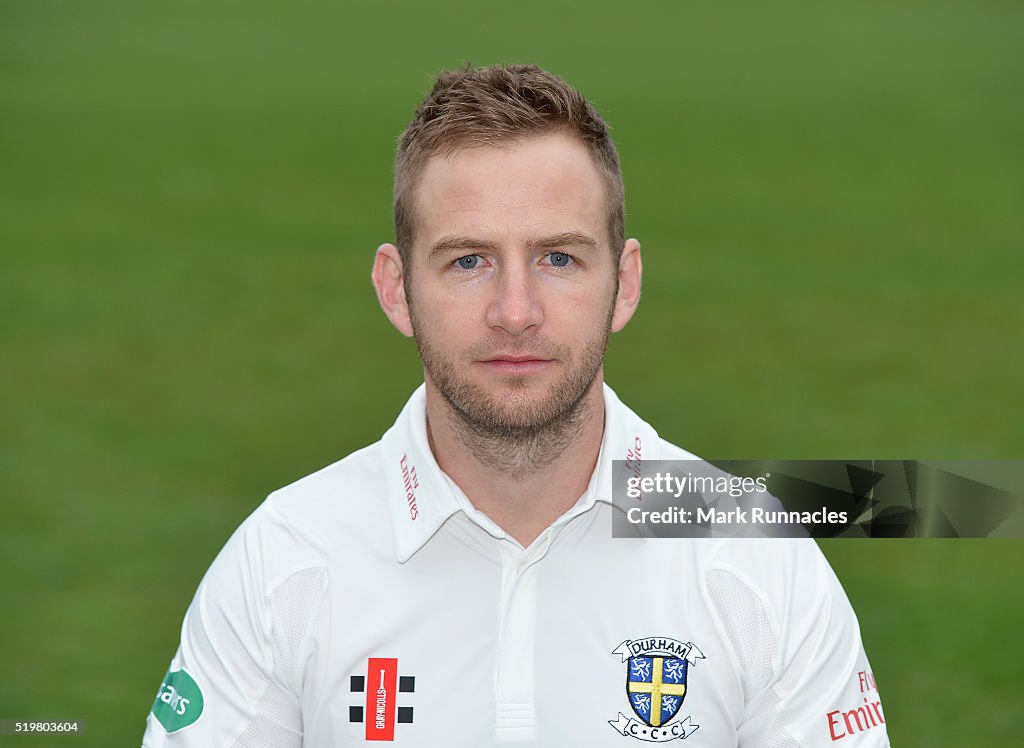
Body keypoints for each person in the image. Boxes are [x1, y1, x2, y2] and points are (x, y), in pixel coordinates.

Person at [143, 64, 889, 747]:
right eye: (468, 261)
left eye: (558, 258)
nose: (515, 311)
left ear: (624, 283)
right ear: (396, 288)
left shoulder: (756, 561)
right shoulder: (284, 562)